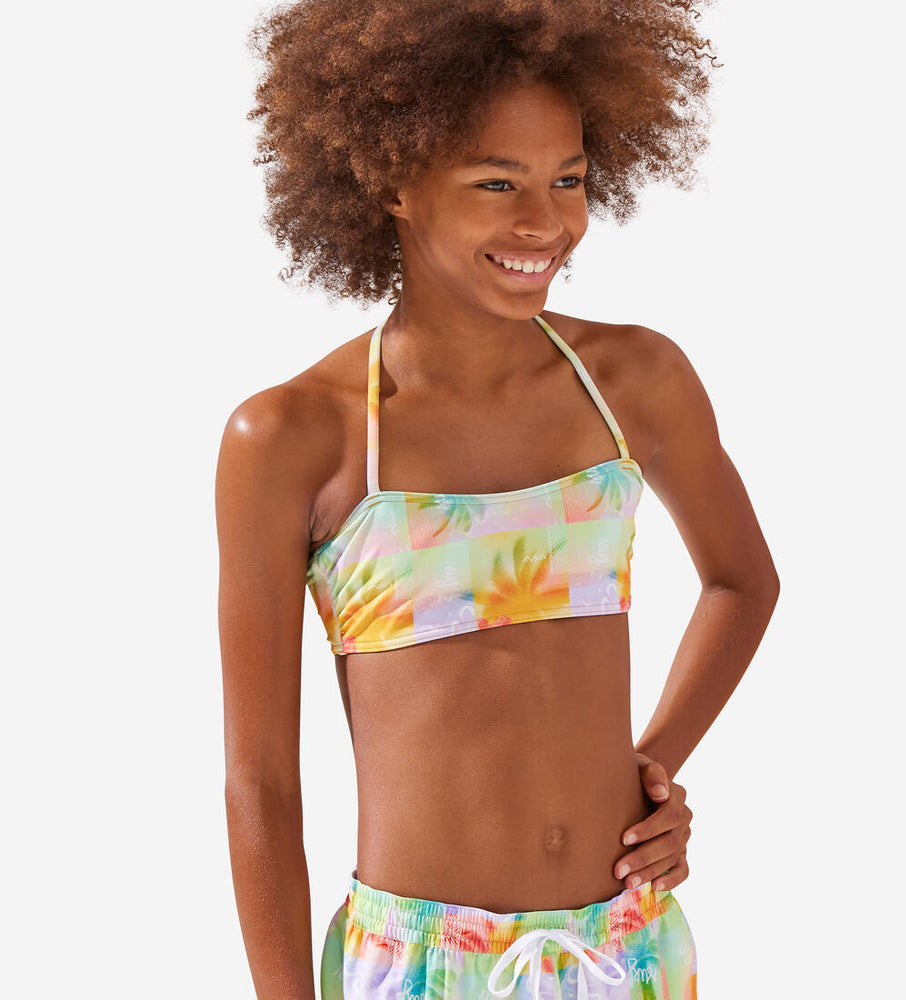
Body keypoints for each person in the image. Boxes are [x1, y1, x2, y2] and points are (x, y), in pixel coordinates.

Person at [216, 2, 779, 997]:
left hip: (628, 948)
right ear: (393, 180)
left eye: (568, 178)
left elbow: (741, 582)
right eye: (496, 182)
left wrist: (651, 769)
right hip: (421, 966)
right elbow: (260, 784)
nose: (545, 222)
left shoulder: (634, 382)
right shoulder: (295, 437)